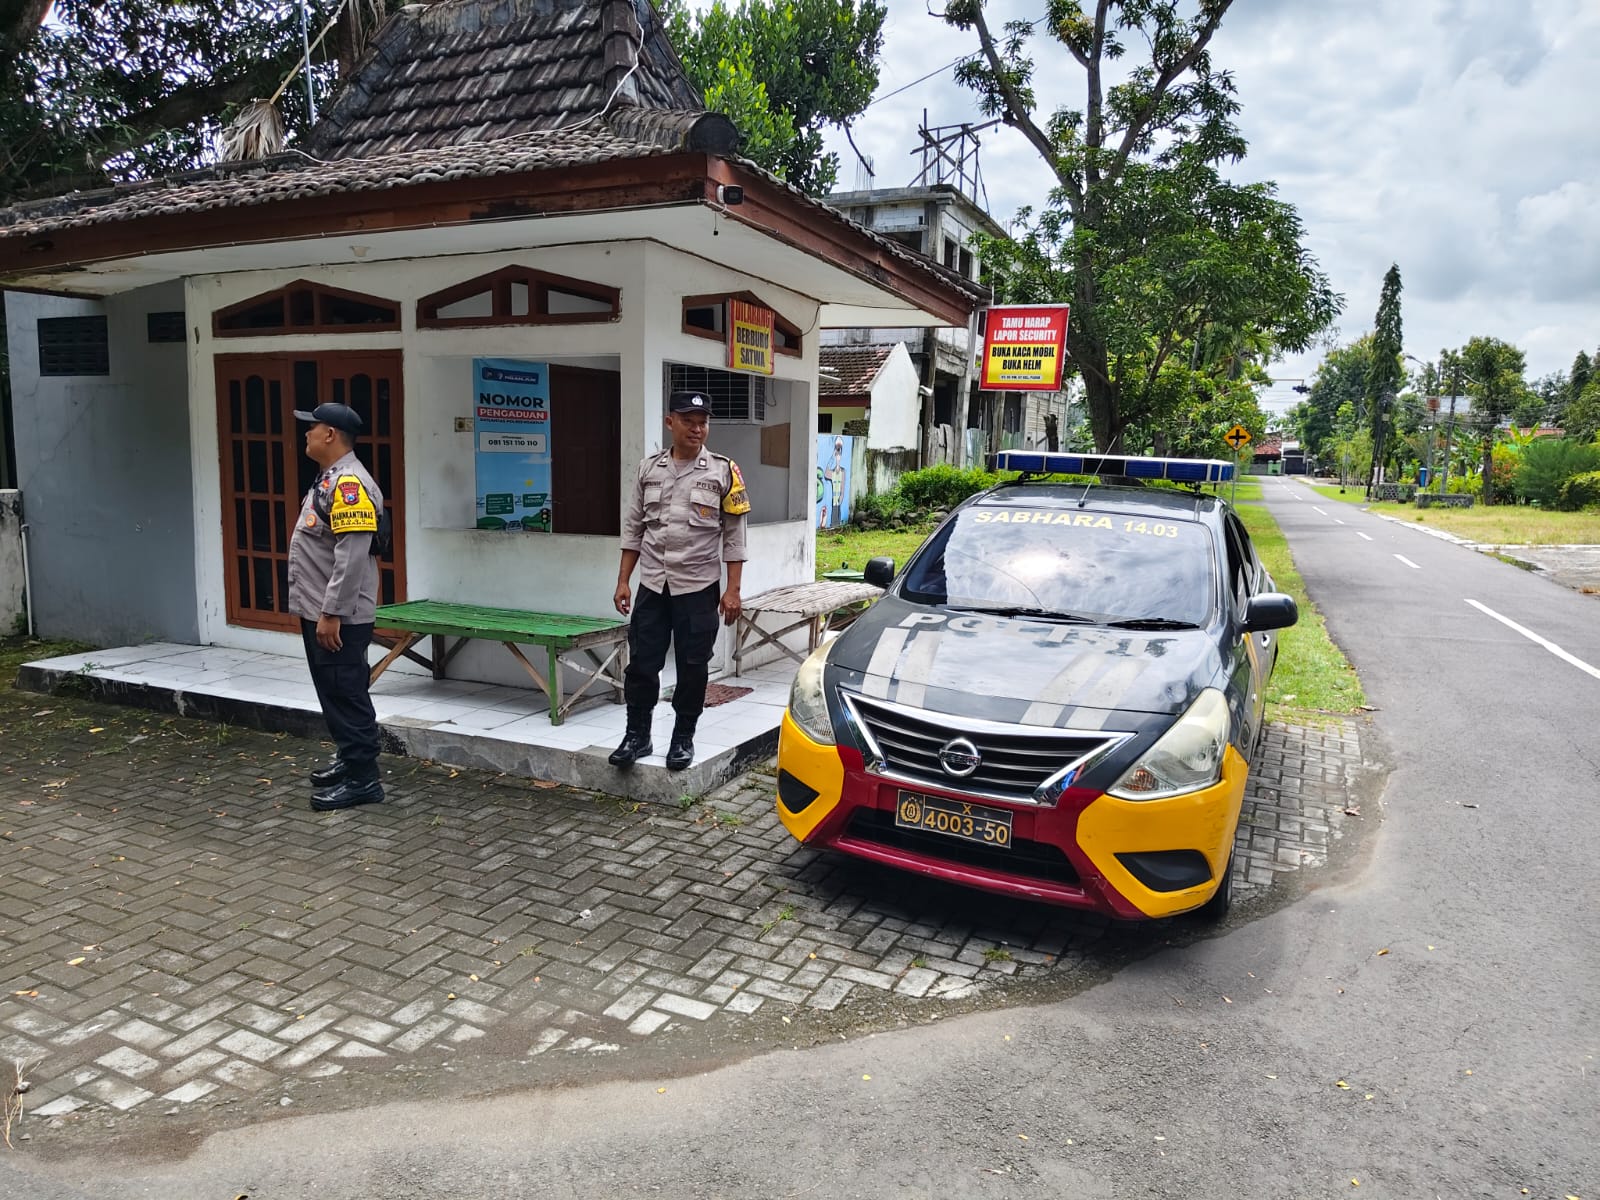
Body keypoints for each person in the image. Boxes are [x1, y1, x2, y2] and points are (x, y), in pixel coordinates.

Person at [610, 390, 750, 771]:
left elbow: (734, 536)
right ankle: (637, 736)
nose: (697, 428)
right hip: (653, 585)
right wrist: (624, 580)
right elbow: (633, 529)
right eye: (688, 420)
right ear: (670, 422)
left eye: (703, 421)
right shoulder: (648, 469)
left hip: (699, 587)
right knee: (641, 663)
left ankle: (682, 738)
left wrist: (733, 590)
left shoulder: (723, 471)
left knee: (693, 667)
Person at [288, 402, 387, 811]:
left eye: (312, 427)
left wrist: (331, 614)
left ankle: (364, 780)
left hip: (338, 617)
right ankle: (350, 760)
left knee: (346, 695)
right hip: (322, 611)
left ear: (329, 434)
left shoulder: (349, 485)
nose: (306, 434)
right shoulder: (329, 478)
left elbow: (350, 557)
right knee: (334, 692)